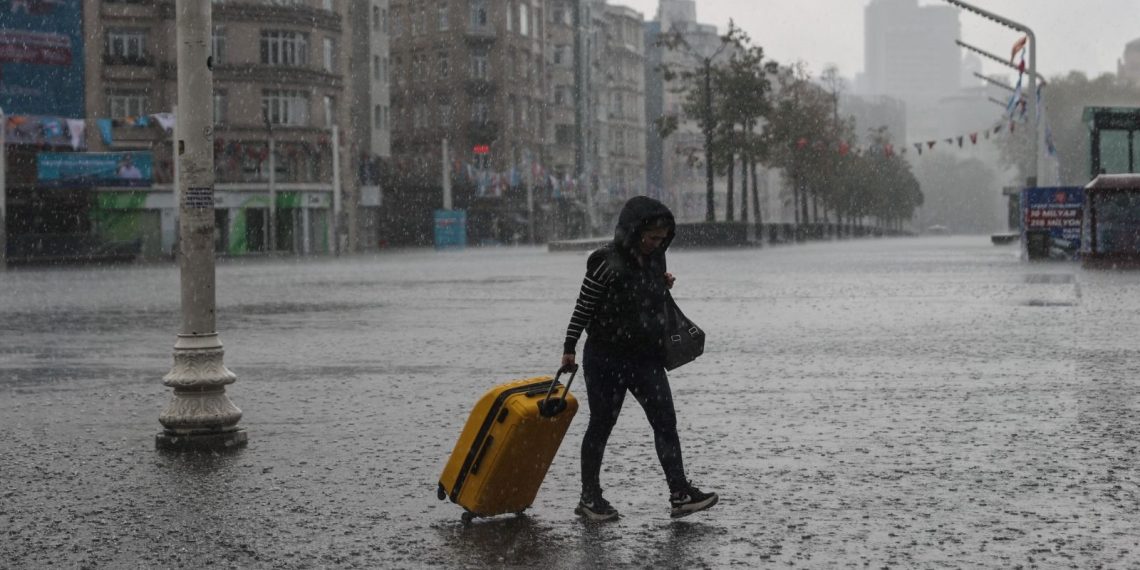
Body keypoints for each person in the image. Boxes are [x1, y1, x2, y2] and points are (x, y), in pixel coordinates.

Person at [561, 195, 718, 521]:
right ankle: (589, 498)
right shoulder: (604, 262)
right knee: (601, 425)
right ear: (633, 231)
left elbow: (645, 297)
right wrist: (569, 347)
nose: (656, 244)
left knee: (665, 423)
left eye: (662, 239)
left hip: (645, 356)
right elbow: (584, 306)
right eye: (651, 238)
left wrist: (661, 283)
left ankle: (679, 493)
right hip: (606, 357)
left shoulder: (655, 258)